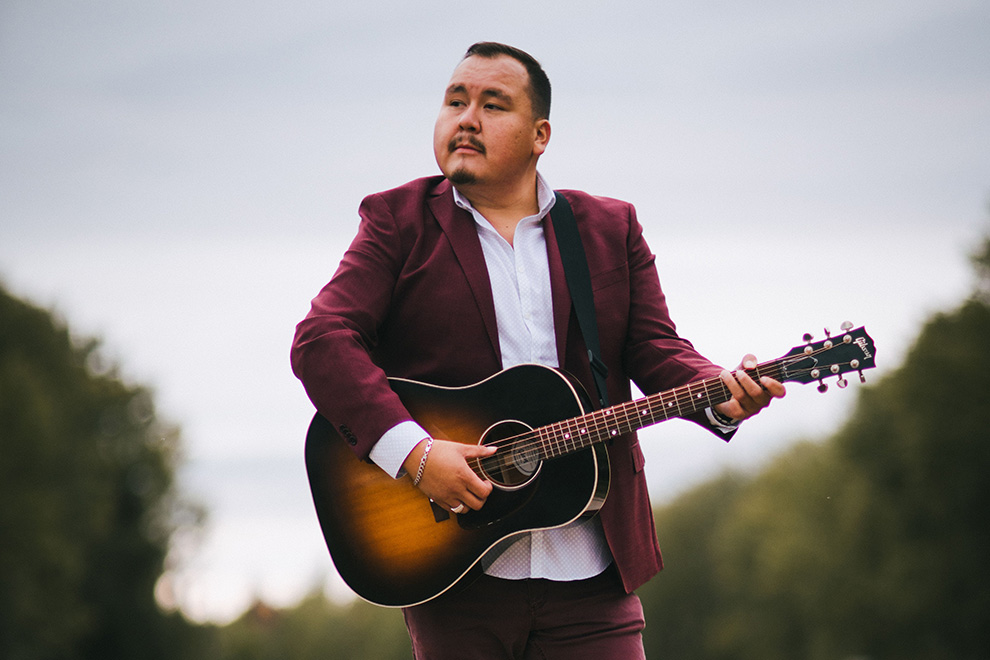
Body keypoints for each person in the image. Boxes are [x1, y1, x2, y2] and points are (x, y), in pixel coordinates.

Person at [291, 42, 785, 659]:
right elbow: (322, 340)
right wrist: (416, 455)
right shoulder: (398, 221)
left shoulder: (610, 228)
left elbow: (656, 347)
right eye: (455, 101)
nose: (467, 119)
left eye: (493, 105)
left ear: (539, 135)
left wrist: (720, 394)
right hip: (456, 578)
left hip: (594, 571)